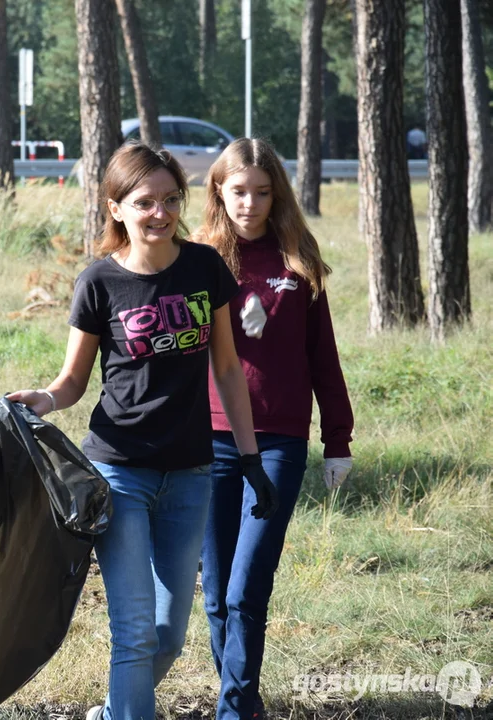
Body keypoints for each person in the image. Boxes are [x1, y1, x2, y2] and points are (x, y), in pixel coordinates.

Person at [7, 142, 279, 720]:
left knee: (167, 635)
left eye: (170, 200)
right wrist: (44, 399)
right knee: (133, 633)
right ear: (116, 208)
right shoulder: (99, 282)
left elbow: (227, 369)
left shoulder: (205, 267)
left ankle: (112, 712)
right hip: (117, 470)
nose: (160, 213)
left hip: (190, 474)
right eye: (145, 202)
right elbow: (73, 381)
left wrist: (251, 459)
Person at [192, 138, 354, 720]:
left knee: (245, 591)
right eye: (238, 191)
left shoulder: (297, 260)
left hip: (279, 440)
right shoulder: (197, 259)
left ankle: (233, 711)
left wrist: (338, 440)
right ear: (218, 191)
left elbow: (323, 356)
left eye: (263, 192)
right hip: (207, 439)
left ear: (276, 195)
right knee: (215, 596)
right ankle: (244, 702)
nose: (250, 204)